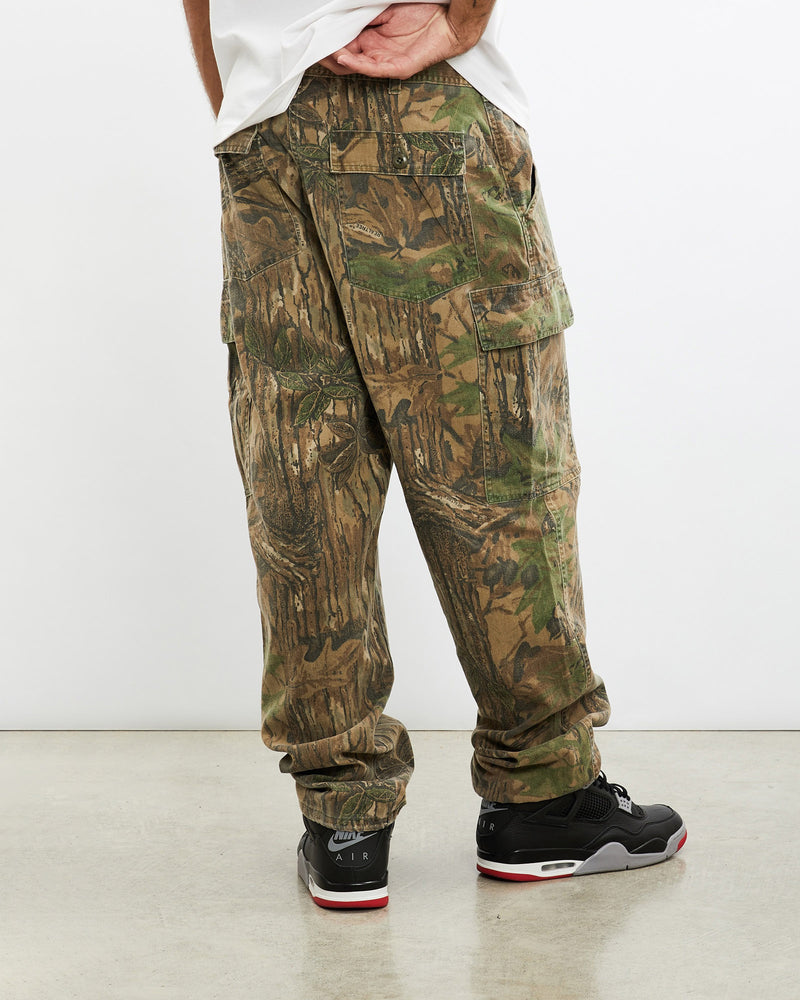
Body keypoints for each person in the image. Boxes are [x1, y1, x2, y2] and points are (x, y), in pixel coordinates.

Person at [182, 0, 686, 909]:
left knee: (305, 474)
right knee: (495, 463)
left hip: (263, 126)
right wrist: (463, 20)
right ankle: (544, 794)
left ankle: (343, 823)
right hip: (415, 98)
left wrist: (248, 91)